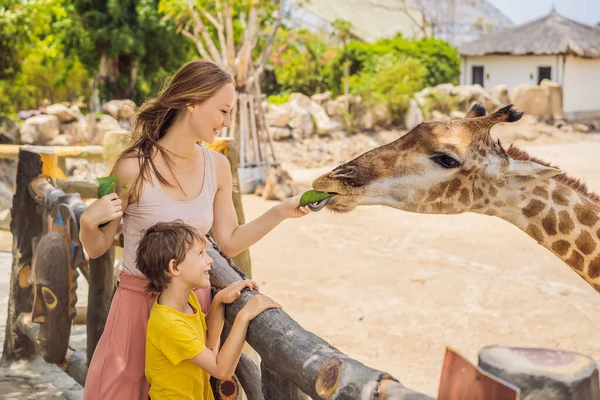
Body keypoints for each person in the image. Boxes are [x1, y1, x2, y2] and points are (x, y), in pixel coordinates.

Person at [79, 60, 311, 400]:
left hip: (191, 308)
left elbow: (228, 242)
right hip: (135, 310)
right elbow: (97, 247)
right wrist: (88, 222)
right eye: (223, 110)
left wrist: (280, 212)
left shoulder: (218, 165)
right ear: (192, 102)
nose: (227, 122)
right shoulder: (131, 167)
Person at [137, 220, 280, 400]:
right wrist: (244, 317)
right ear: (174, 267)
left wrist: (219, 301)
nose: (210, 260)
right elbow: (221, 370)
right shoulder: (169, 324)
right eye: (200, 254)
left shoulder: (186, 300)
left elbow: (208, 340)